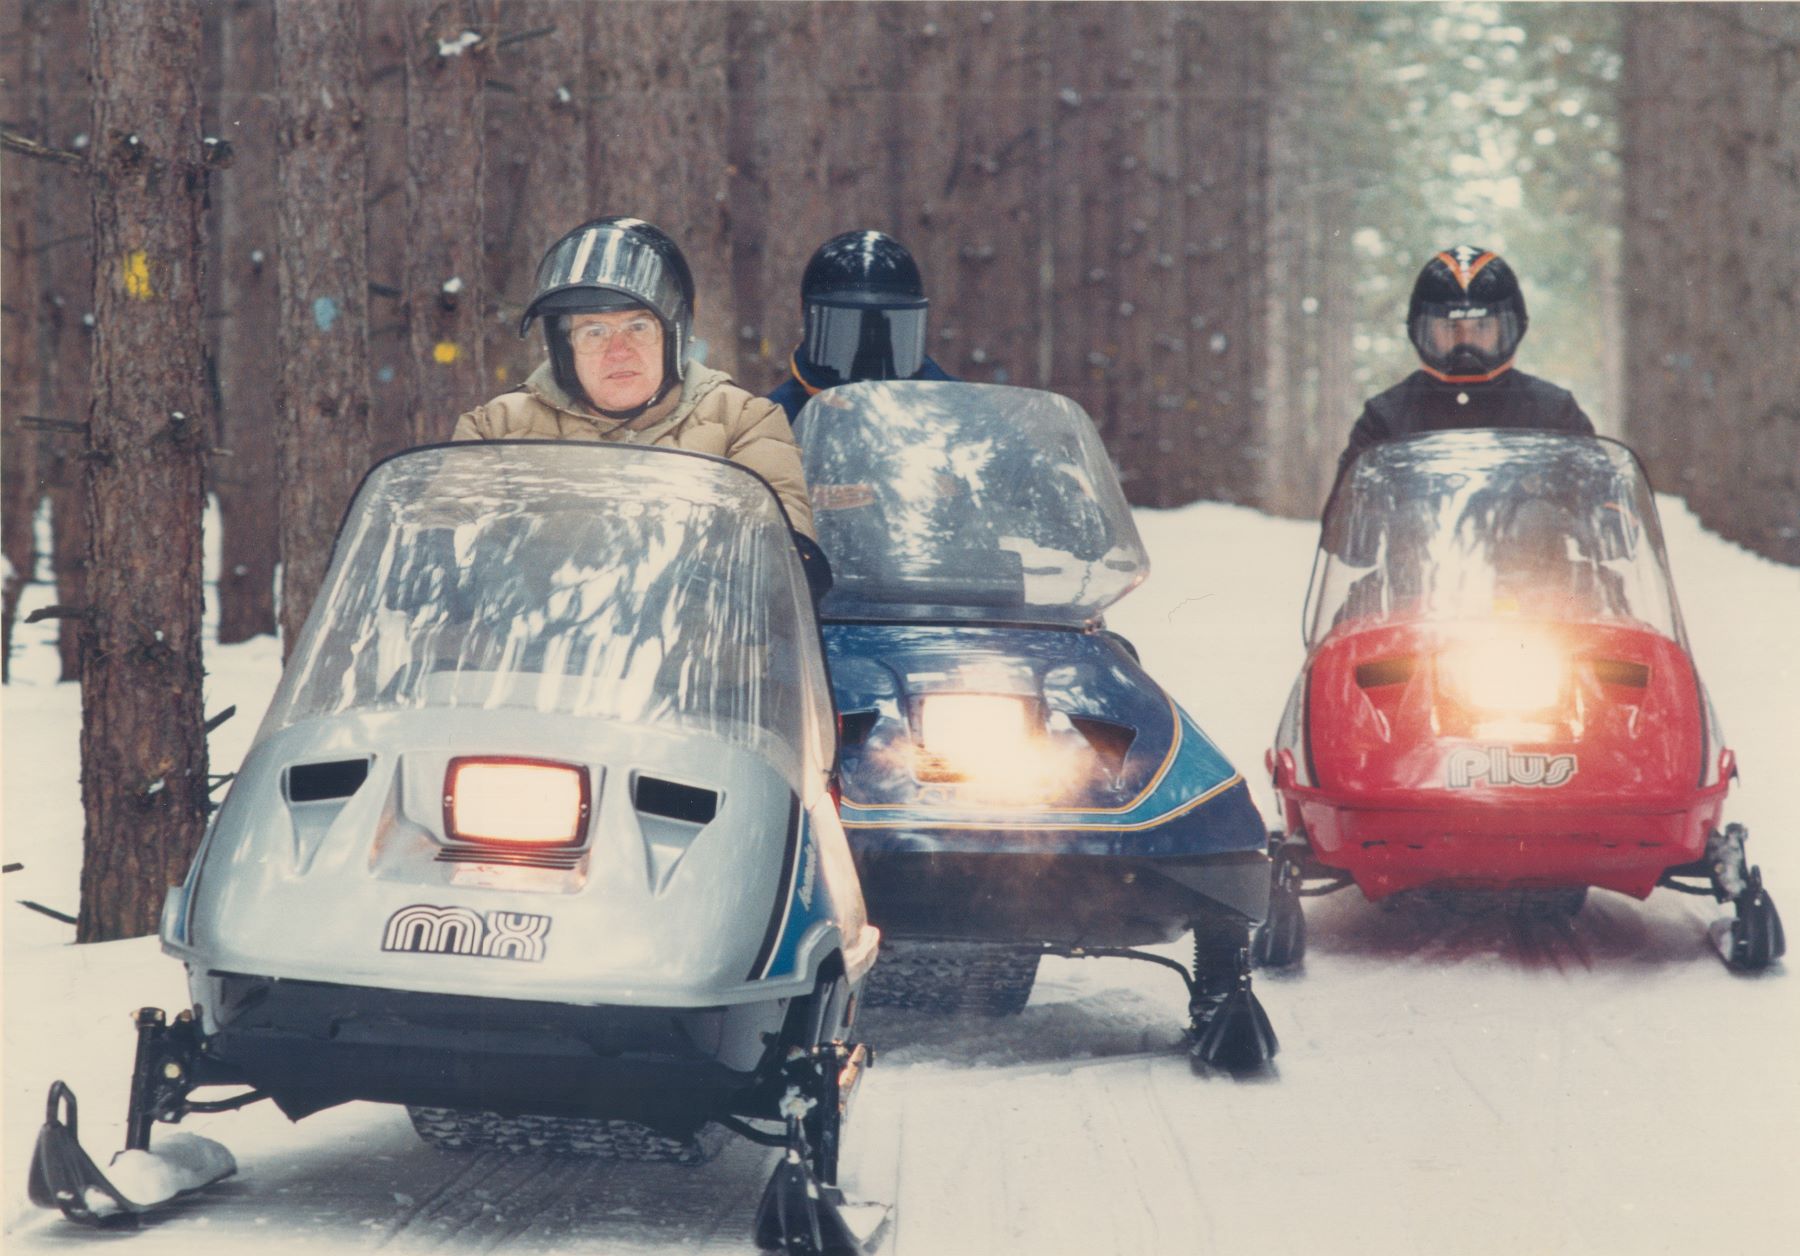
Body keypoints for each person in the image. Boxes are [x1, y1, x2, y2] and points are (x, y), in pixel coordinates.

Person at [454, 215, 817, 541]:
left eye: (638, 327)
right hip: (535, 615)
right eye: (594, 331)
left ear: (674, 334)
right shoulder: (496, 429)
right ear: (565, 348)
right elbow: (440, 549)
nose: (618, 351)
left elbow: (785, 557)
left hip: (693, 616)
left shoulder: (743, 422)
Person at [1335, 245, 1593, 484]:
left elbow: (1600, 506)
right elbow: (1347, 520)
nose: (1465, 342)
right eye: (1450, 327)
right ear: (1422, 331)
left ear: (1508, 329)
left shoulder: (1554, 413)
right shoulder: (1385, 419)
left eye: (1481, 326)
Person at [767, 230, 955, 421]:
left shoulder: (949, 403)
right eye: (845, 329)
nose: (869, 346)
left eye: (881, 331)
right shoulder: (780, 416)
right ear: (809, 318)